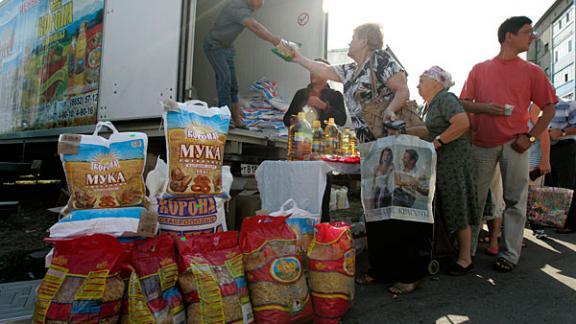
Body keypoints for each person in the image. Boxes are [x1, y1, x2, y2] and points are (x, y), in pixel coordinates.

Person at [290, 23, 428, 295]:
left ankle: (411, 272)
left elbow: (403, 90)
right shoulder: (351, 71)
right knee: (374, 205)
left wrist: (389, 110)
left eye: (353, 37)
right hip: (370, 146)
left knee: (400, 205)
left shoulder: (381, 59)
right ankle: (382, 268)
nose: (349, 41)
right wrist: (296, 56)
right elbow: (324, 70)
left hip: (393, 140)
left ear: (365, 40)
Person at [460, 16, 557, 272]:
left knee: (515, 200)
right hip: (481, 144)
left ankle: (510, 255)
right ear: (508, 36)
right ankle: (466, 254)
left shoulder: (532, 71)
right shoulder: (480, 69)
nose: (532, 37)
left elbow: (549, 109)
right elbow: (464, 102)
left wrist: (531, 137)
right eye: (527, 32)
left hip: (516, 144)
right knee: (475, 200)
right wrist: (485, 108)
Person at [418, 66, 479, 275]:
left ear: (436, 82)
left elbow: (462, 123)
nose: (418, 85)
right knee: (448, 206)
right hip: (443, 163)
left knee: (458, 205)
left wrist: (438, 142)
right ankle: (451, 251)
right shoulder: (430, 104)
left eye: (421, 80)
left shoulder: (446, 98)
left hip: (454, 162)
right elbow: (427, 129)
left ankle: (465, 259)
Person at [204, 0, 281, 128]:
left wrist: (274, 38)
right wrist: (274, 39)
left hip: (227, 48)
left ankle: (236, 119)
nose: (262, 2)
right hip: (214, 46)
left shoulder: (247, 8)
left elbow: (256, 25)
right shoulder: (237, 6)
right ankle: (224, 119)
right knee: (225, 79)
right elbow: (255, 26)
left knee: (233, 85)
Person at [283, 59, 347, 128]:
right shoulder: (300, 94)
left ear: (328, 75)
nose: (313, 73)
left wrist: (324, 106)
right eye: (311, 70)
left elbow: (342, 121)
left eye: (317, 70)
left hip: (326, 137)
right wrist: (297, 119)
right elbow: (286, 119)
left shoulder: (336, 95)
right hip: (302, 136)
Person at [545, 100, 576, 233]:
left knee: (566, 185)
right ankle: (556, 220)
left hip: (566, 146)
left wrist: (561, 132)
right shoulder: (541, 108)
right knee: (553, 186)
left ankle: (569, 223)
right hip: (550, 149)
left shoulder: (569, 105)